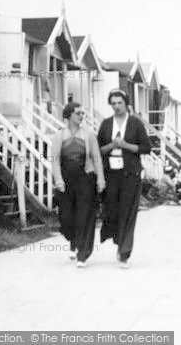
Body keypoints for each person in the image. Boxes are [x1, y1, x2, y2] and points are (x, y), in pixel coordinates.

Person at [97, 89, 152, 268]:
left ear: (126, 103)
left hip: (130, 174)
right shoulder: (106, 124)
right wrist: (113, 144)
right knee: (112, 211)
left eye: (119, 103)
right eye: (113, 103)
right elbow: (98, 150)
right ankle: (118, 241)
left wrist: (125, 145)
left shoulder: (135, 123)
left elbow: (146, 148)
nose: (116, 106)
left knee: (128, 212)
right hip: (111, 173)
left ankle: (124, 251)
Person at [51, 102, 105, 268]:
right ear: (68, 116)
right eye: (78, 113)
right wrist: (58, 180)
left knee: (85, 216)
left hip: (85, 179)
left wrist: (100, 179)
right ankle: (73, 241)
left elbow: (96, 158)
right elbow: (54, 160)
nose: (81, 116)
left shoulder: (89, 135)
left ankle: (83, 254)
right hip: (66, 181)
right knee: (67, 217)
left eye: (83, 113)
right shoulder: (59, 136)